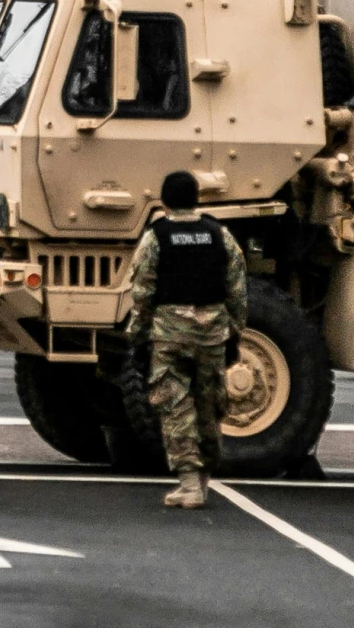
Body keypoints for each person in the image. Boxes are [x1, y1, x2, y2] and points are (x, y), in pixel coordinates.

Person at [126, 170, 247, 510]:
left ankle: (189, 484)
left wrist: (137, 336)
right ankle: (205, 480)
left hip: (171, 334)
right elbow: (237, 289)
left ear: (164, 200)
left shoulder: (156, 236)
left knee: (175, 406)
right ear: (198, 198)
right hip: (212, 333)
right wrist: (235, 330)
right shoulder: (218, 234)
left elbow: (142, 291)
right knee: (209, 404)